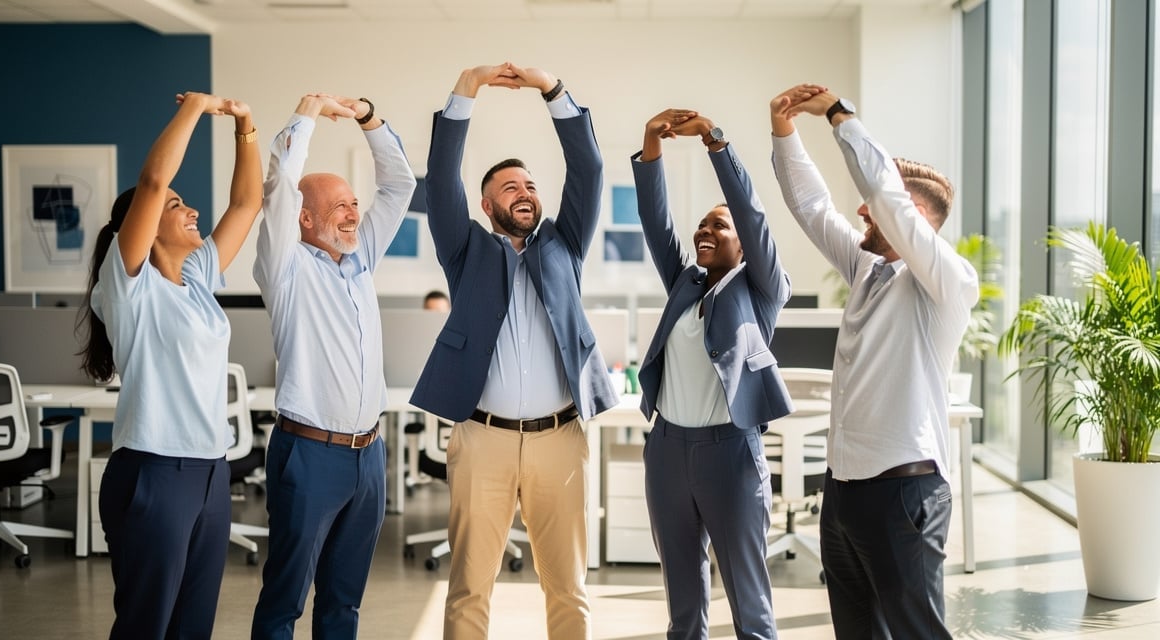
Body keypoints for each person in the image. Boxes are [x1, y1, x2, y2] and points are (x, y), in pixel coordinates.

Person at [410, 62, 618, 640]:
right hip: (484, 441)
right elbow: (442, 174)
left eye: (530, 186)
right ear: (486, 206)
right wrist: (467, 89)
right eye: (510, 187)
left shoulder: (564, 245)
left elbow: (590, 166)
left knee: (568, 588)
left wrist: (551, 90)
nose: (524, 193)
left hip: (560, 438)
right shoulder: (466, 249)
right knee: (471, 586)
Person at [769, 84, 979, 639]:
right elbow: (812, 208)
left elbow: (883, 195)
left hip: (903, 494)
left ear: (912, 218)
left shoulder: (948, 283)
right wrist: (785, 131)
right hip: (842, 494)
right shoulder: (867, 269)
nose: (861, 208)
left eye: (877, 205)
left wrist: (840, 117)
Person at [78, 91, 262, 638]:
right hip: (153, 472)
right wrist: (195, 108)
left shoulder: (199, 276)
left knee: (193, 626)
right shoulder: (129, 283)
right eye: (180, 205)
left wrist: (245, 125)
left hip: (210, 471)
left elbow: (247, 205)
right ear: (145, 221)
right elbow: (154, 183)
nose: (192, 212)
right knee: (145, 625)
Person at [250, 93, 416, 639]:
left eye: (352, 203)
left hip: (368, 456)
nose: (354, 212)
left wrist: (368, 119)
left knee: (344, 603)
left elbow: (400, 186)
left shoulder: (361, 254)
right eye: (341, 205)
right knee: (285, 599)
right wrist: (307, 116)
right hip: (309, 455)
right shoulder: (287, 267)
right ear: (304, 218)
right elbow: (276, 191)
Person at [631, 108, 794, 639]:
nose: (705, 230)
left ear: (743, 244)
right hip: (667, 450)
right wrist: (651, 146)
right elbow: (657, 224)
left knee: (749, 602)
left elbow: (751, 214)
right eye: (702, 224)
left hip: (730, 453)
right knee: (682, 601)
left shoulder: (763, 290)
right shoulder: (685, 285)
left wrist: (714, 143)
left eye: (718, 226)